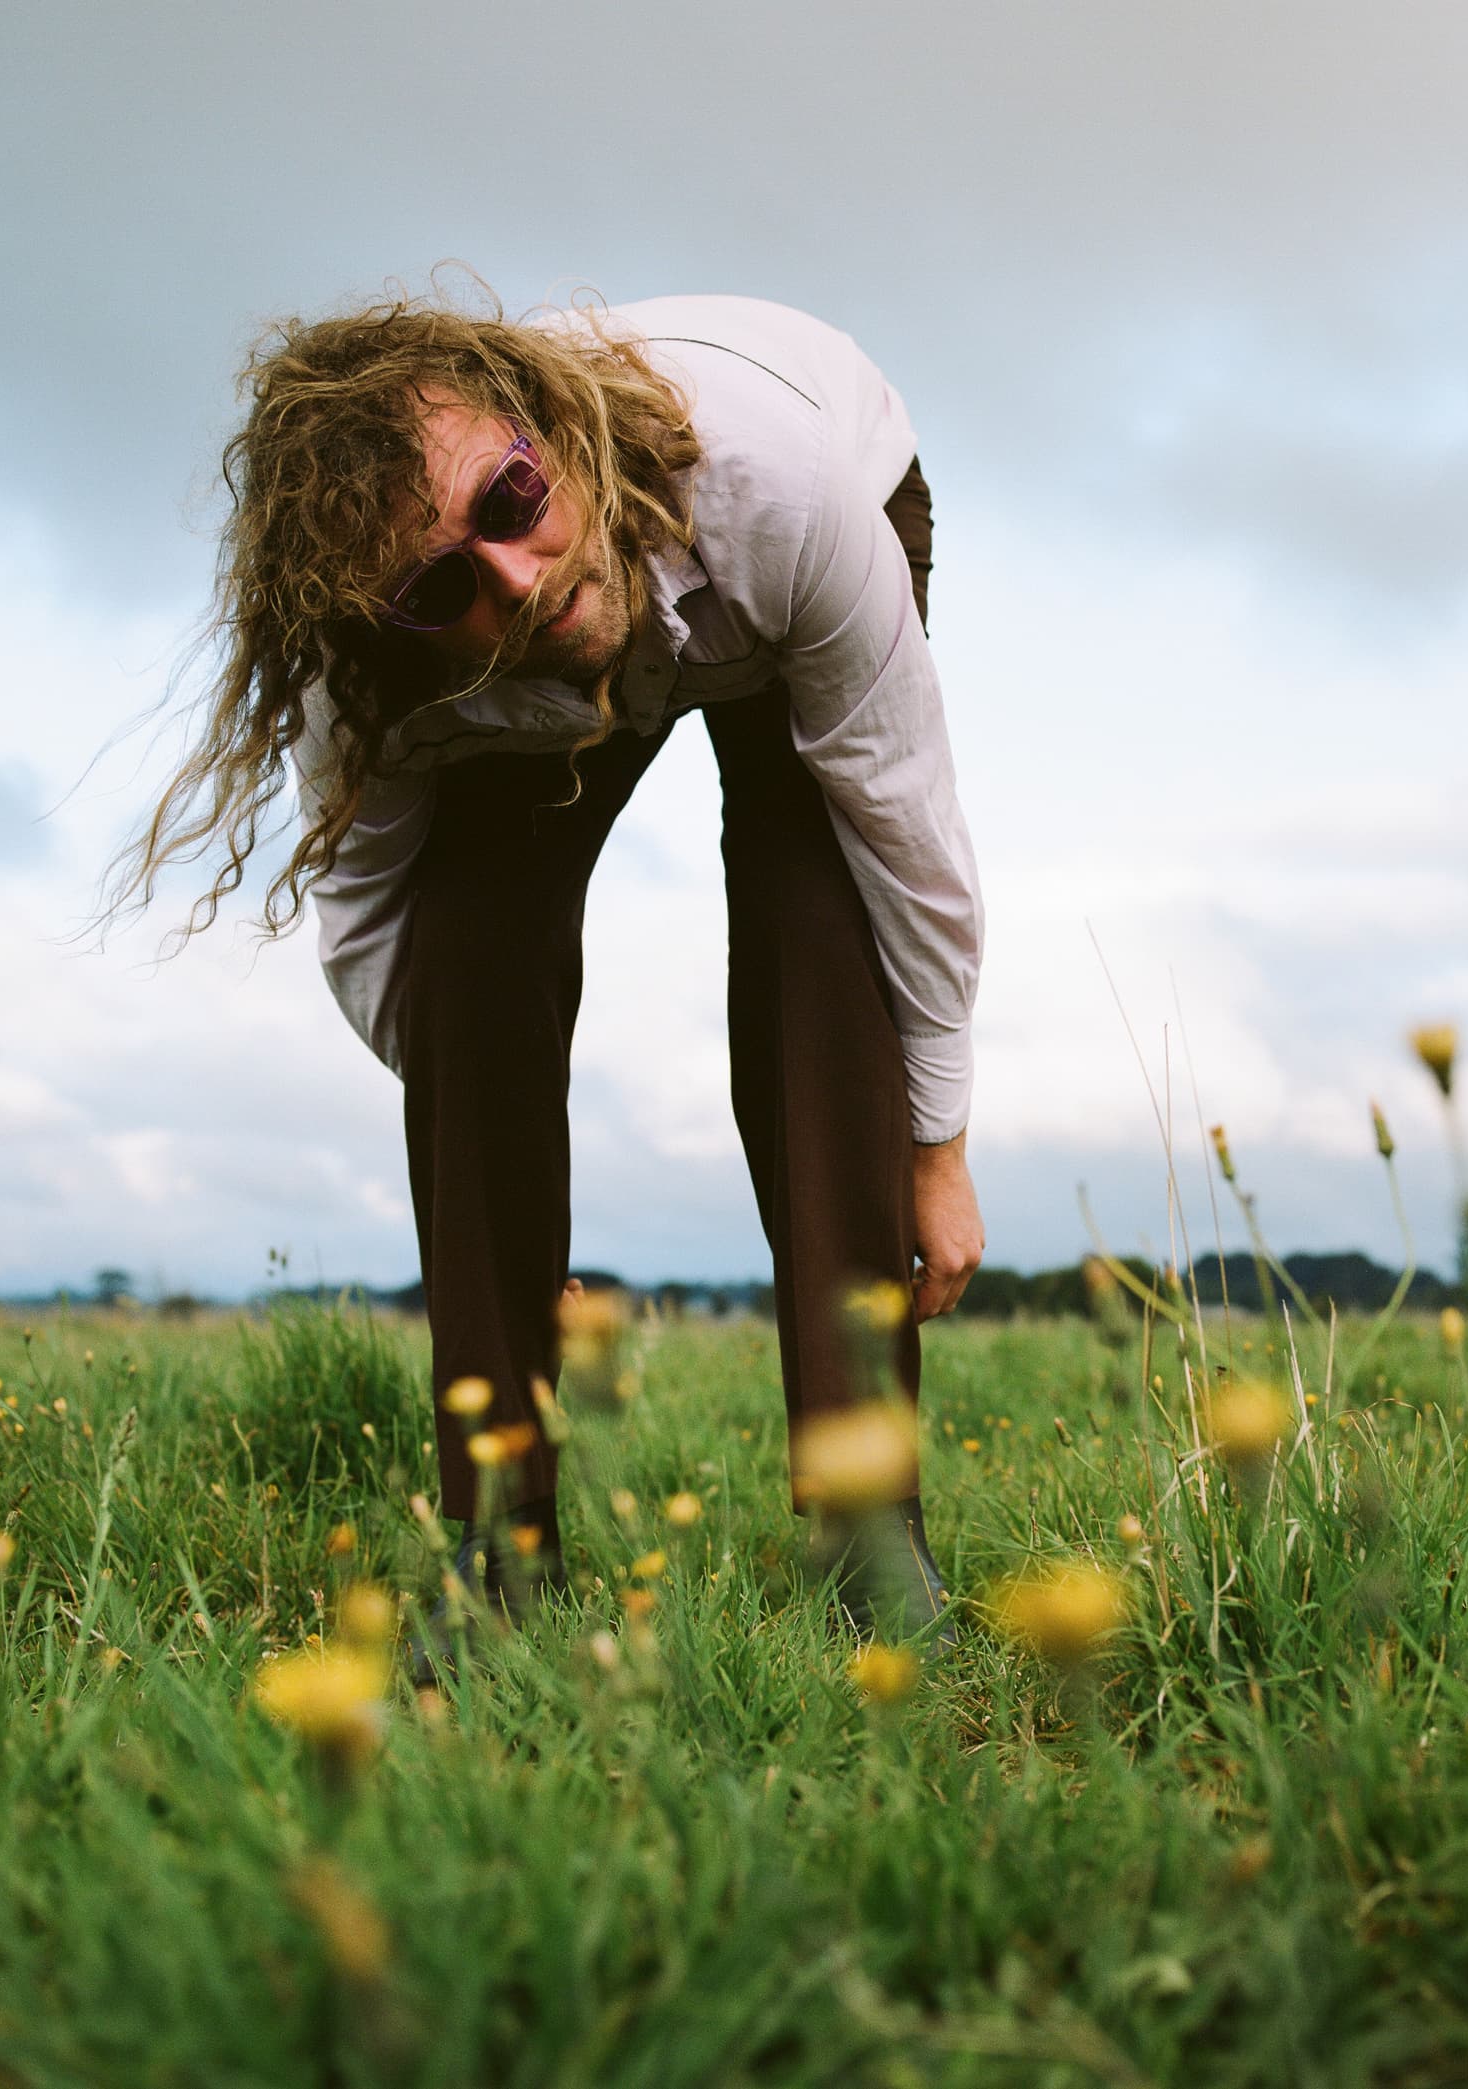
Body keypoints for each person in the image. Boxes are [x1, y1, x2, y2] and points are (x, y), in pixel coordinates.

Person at [110, 287, 985, 1663]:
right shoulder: (396, 668)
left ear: (549, 437)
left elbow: (909, 836)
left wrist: (934, 1143)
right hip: (522, 695)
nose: (514, 576)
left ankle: (868, 1528)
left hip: (791, 517)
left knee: (817, 916)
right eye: (442, 580)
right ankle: (500, 1547)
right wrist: (494, 1189)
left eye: (511, 500)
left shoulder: (788, 491)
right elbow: (378, 929)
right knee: (471, 944)